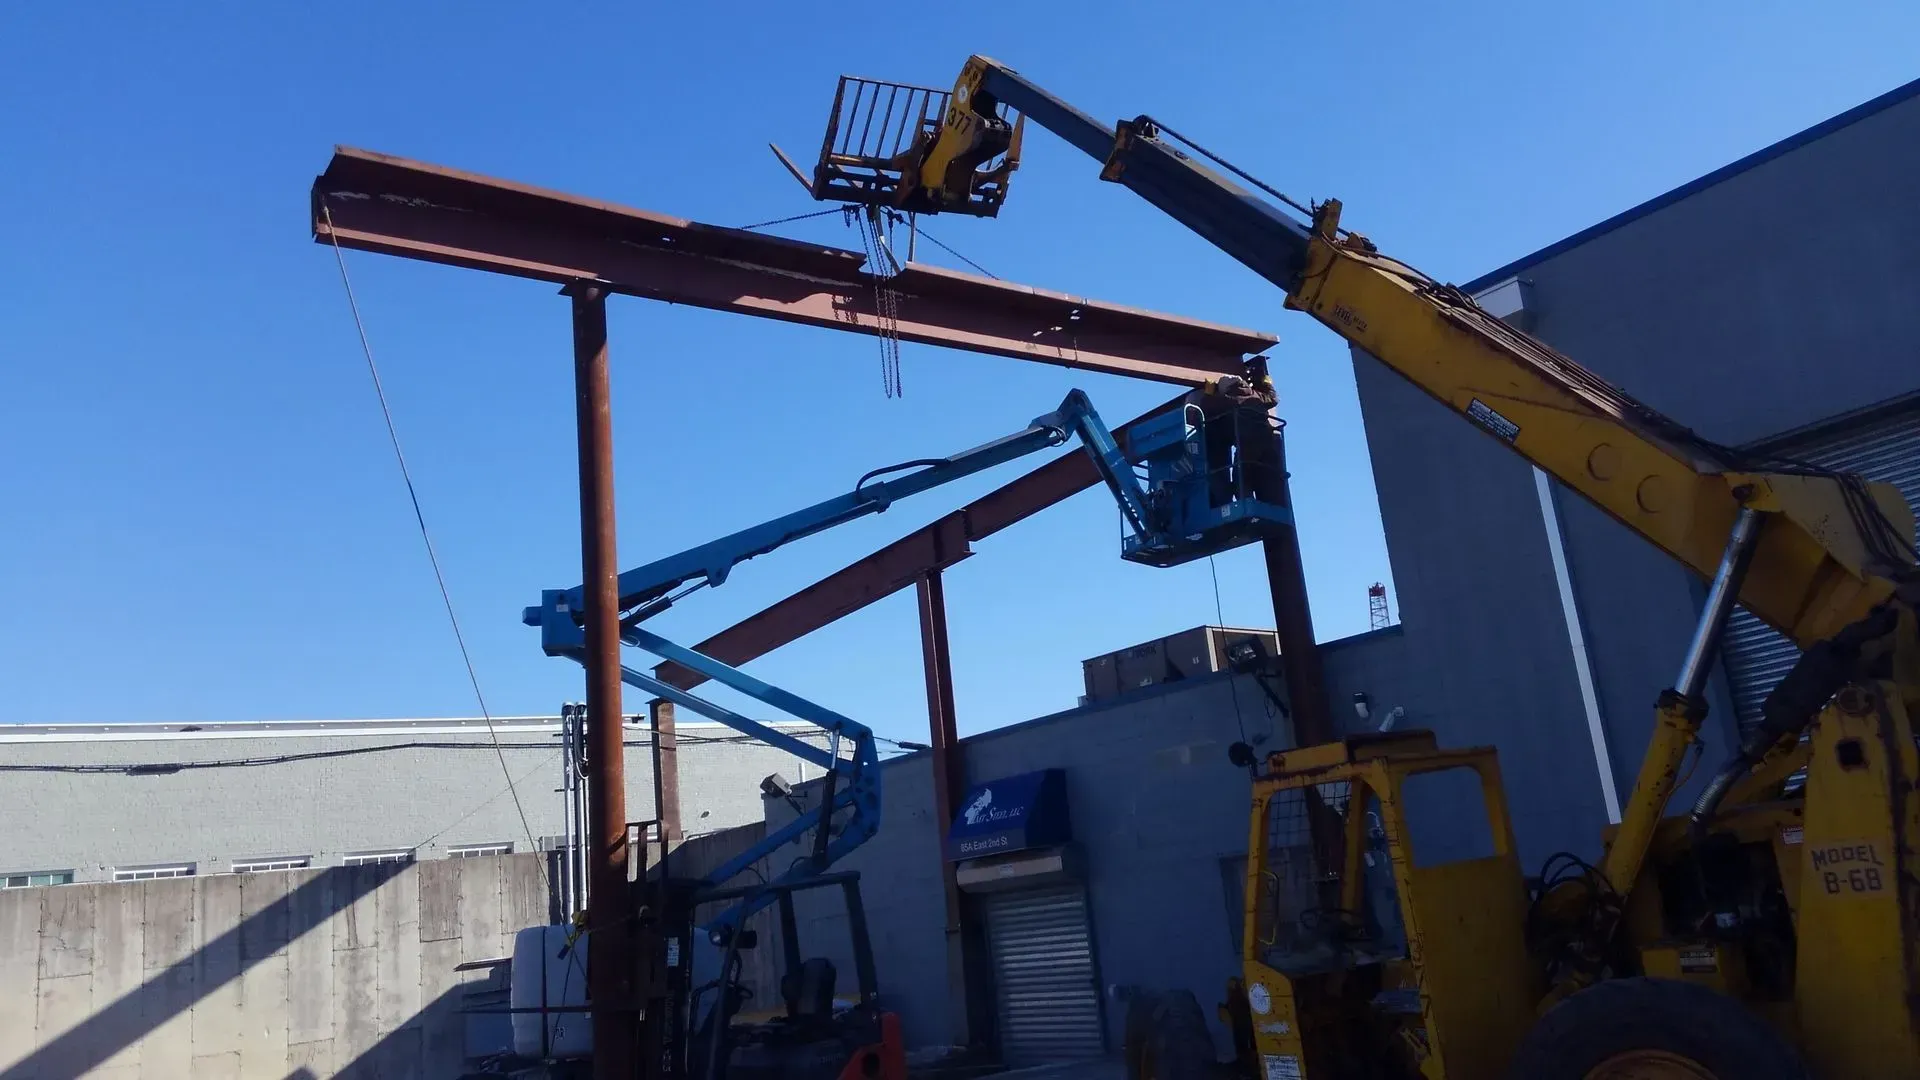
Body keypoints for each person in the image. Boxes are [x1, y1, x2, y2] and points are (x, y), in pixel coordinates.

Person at [1194, 360, 1279, 505]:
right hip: (1269, 442)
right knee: (1268, 479)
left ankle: (1247, 508)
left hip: (1247, 444)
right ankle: (1267, 509)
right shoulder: (1256, 395)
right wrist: (1263, 378)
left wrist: (1209, 392)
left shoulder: (1227, 400)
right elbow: (1273, 397)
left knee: (1241, 480)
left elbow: (1205, 408)